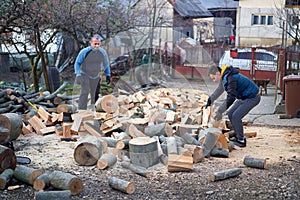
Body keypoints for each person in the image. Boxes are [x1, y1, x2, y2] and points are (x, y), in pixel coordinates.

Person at [205, 65, 261, 147]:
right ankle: (237, 135)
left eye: (213, 78)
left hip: (252, 97)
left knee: (236, 116)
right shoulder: (225, 77)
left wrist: (220, 111)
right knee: (230, 113)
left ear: (217, 73)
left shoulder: (230, 78)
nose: (214, 81)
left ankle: (241, 140)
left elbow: (231, 97)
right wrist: (210, 101)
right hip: (244, 97)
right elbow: (219, 90)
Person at [74, 34, 110, 110]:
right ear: (91, 43)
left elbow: (106, 64)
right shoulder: (84, 52)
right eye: (95, 44)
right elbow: (77, 63)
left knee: (96, 93)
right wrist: (78, 74)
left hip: (96, 75)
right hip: (85, 74)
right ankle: (81, 109)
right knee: (85, 92)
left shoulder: (102, 52)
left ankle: (95, 109)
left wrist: (108, 75)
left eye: (98, 44)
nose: (97, 46)